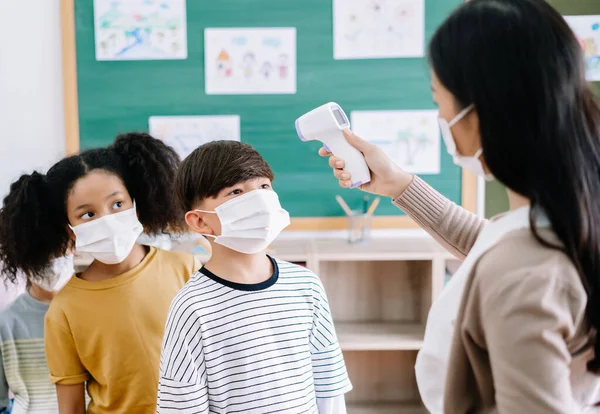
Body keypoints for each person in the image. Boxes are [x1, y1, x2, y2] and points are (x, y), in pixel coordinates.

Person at [321, 0, 600, 412]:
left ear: (479, 112)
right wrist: (400, 184)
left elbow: (511, 266)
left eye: (439, 101)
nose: (440, 117)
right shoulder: (565, 217)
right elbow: (491, 242)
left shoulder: (524, 273)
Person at [0, 133, 200, 413]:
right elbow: (71, 408)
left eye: (117, 204)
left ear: (136, 203)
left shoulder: (187, 270)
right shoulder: (64, 311)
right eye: (87, 214)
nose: (107, 220)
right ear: (69, 229)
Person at [157, 141, 352, 413]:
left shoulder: (306, 286)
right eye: (236, 191)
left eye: (264, 187)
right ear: (200, 221)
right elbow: (182, 407)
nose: (258, 199)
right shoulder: (192, 307)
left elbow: (329, 387)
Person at [0, 255, 74, 414]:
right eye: (41, 252)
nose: (50, 259)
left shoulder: (94, 312)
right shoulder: (5, 322)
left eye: (58, 250)